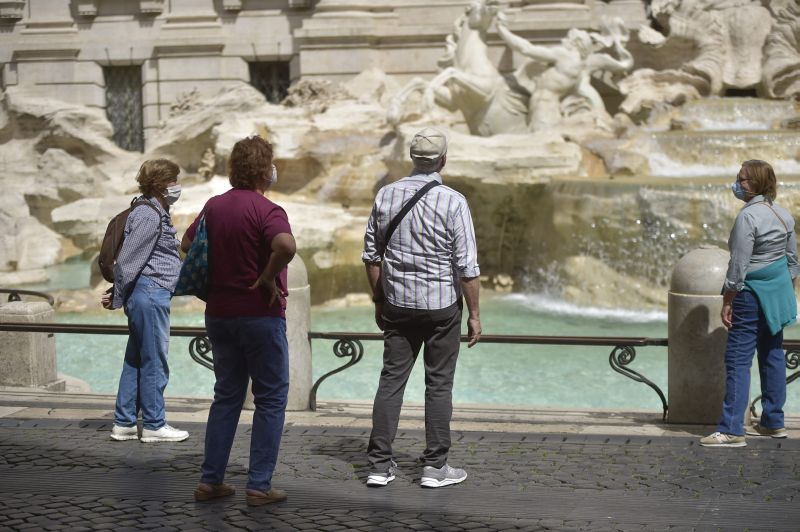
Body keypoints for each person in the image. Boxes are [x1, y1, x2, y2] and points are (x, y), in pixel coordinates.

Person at [362, 127, 482, 488]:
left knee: (391, 382)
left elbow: (371, 256)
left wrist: (379, 301)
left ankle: (379, 466)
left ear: (412, 159)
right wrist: (475, 315)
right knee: (439, 385)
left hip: (397, 304)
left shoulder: (386, 194)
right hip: (442, 307)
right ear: (442, 160)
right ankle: (434, 467)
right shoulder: (454, 201)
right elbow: (467, 267)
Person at [185, 137, 296, 505]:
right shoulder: (268, 210)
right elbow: (286, 246)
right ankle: (259, 485)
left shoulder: (214, 206)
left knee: (227, 396)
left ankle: (210, 481)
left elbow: (187, 244)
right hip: (260, 314)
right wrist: (267, 275)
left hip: (219, 313)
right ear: (265, 171)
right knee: (270, 398)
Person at [700, 160, 798, 447]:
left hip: (749, 294)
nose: (737, 183)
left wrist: (728, 299)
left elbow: (739, 264)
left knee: (737, 360)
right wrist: (781, 290)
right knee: (772, 355)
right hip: (775, 294)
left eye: (742, 179)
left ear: (756, 183)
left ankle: (732, 430)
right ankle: (773, 422)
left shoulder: (748, 216)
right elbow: (793, 262)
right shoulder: (783, 215)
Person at [103, 159, 189, 443]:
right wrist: (118, 295)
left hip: (147, 293)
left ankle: (124, 422)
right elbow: (129, 261)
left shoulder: (153, 211)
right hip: (150, 294)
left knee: (136, 359)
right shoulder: (149, 215)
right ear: (162, 184)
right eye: (174, 180)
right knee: (154, 360)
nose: (177, 186)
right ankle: (154, 424)